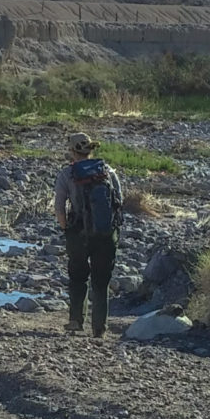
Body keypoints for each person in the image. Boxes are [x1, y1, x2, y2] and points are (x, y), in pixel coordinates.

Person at [53, 132, 124, 337]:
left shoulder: (67, 174)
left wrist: (66, 228)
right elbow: (118, 202)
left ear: (72, 151)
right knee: (101, 282)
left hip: (78, 233)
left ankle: (76, 320)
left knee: (78, 277)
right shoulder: (108, 171)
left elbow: (59, 207)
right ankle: (99, 328)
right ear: (91, 150)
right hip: (106, 233)